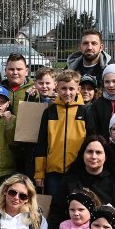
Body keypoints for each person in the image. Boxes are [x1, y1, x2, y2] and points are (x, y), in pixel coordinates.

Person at [49, 136, 115, 229]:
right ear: (83, 154)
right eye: (89, 151)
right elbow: (57, 210)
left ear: (106, 156)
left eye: (98, 152)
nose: (93, 156)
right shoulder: (70, 180)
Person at [33, 69, 88, 198]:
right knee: (54, 207)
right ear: (57, 88)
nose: (67, 92)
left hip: (78, 171)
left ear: (78, 89)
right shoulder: (50, 111)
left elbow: (90, 142)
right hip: (53, 172)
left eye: (71, 89)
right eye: (63, 88)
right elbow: (41, 143)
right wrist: (39, 173)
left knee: (76, 206)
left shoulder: (85, 112)